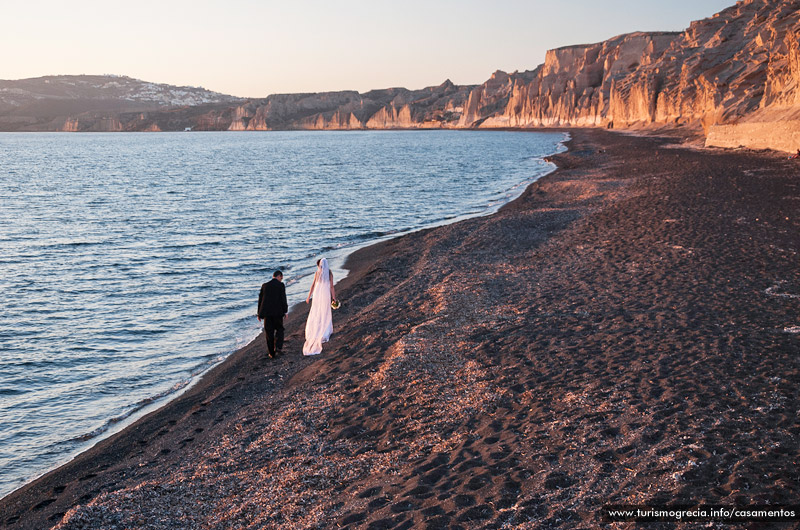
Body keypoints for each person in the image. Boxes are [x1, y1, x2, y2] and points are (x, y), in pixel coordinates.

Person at [303, 258, 336, 355]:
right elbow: (331, 287)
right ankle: (325, 330)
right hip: (325, 294)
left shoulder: (317, 273)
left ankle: (316, 329)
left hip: (317, 294)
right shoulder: (329, 273)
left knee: (316, 311)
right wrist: (334, 298)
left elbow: (313, 285)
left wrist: (309, 297)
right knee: (324, 311)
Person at [257, 270, 288, 359]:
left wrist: (259, 314)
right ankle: (278, 347)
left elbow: (260, 300)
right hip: (278, 313)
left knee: (269, 333)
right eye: (281, 278)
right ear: (279, 276)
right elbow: (283, 298)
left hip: (267, 313)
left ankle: (271, 353)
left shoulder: (265, 285)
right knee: (280, 329)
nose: (281, 280)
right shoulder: (280, 285)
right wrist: (285, 311)